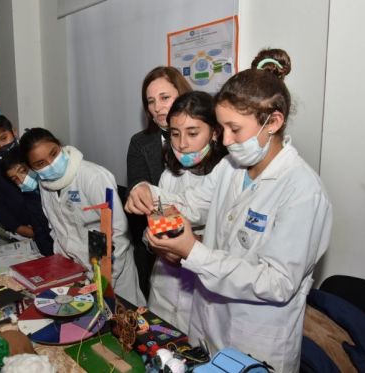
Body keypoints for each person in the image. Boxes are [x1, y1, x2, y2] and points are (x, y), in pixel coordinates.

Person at [125, 49, 332, 372]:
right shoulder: (232, 169)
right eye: (222, 129)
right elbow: (192, 206)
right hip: (208, 324)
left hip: (257, 338)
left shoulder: (302, 190)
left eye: (235, 129)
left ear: (273, 121)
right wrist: (147, 191)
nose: (227, 140)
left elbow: (277, 282)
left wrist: (194, 253)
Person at [20, 128, 146, 306]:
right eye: (40, 163)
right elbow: (56, 228)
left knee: (123, 323)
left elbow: (116, 232)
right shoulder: (44, 185)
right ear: (32, 168)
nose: (51, 163)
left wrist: (103, 279)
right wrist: (65, 269)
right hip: (77, 273)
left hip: (112, 273)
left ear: (60, 145)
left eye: (54, 154)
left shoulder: (93, 177)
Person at [147, 91, 227, 334]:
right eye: (175, 133)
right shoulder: (169, 176)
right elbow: (157, 229)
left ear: (214, 132)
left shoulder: (225, 176)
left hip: (202, 297)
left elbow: (228, 244)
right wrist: (159, 245)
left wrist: (191, 245)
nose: (182, 143)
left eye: (193, 133)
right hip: (164, 290)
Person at [126, 66, 192, 299]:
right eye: (150, 101)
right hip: (157, 243)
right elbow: (139, 187)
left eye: (165, 97)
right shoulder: (140, 142)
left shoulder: (209, 136)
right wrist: (166, 243)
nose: (157, 107)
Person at [0, 115, 34, 239]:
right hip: (21, 232)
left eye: (4, 138)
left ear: (14, 132)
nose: (1, 146)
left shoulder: (30, 154)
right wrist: (21, 229)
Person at [0, 147, 54, 256]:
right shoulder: (29, 196)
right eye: (14, 179)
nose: (21, 180)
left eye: (23, 171)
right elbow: (39, 232)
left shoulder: (54, 186)